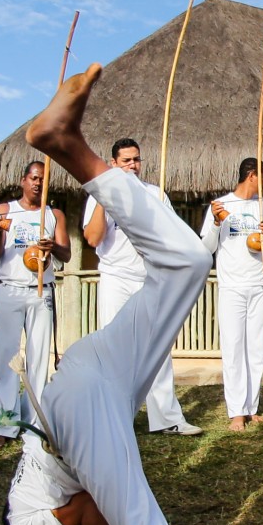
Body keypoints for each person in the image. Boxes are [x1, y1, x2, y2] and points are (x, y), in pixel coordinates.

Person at [19, 59, 263, 525]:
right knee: (190, 260)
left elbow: (88, 512)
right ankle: (70, 147)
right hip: (100, 375)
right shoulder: (35, 498)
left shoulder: (26, 522)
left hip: (82, 398)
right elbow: (95, 507)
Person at [81, 138, 200, 435]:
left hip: (150, 278)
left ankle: (167, 419)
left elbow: (172, 235)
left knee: (158, 347)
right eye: (126, 161)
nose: (133, 166)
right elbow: (93, 239)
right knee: (113, 348)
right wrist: (104, 197)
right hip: (116, 277)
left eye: (136, 160)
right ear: (113, 164)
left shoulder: (154, 193)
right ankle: (113, 417)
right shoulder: (99, 196)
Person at [0, 160, 68, 446]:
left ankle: (34, 422)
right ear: (23, 180)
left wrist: (52, 247)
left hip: (40, 290)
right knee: (6, 359)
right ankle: (4, 425)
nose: (37, 184)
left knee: (38, 359)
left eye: (43, 180)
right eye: (33, 178)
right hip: (10, 288)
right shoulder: (6, 210)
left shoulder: (53, 214)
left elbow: (66, 254)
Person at [200, 159, 263, 430]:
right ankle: (236, 410)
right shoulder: (221, 205)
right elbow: (206, 246)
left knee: (256, 348)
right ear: (251, 176)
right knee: (234, 347)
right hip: (232, 285)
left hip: (260, 284)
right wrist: (215, 222)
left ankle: (251, 406)